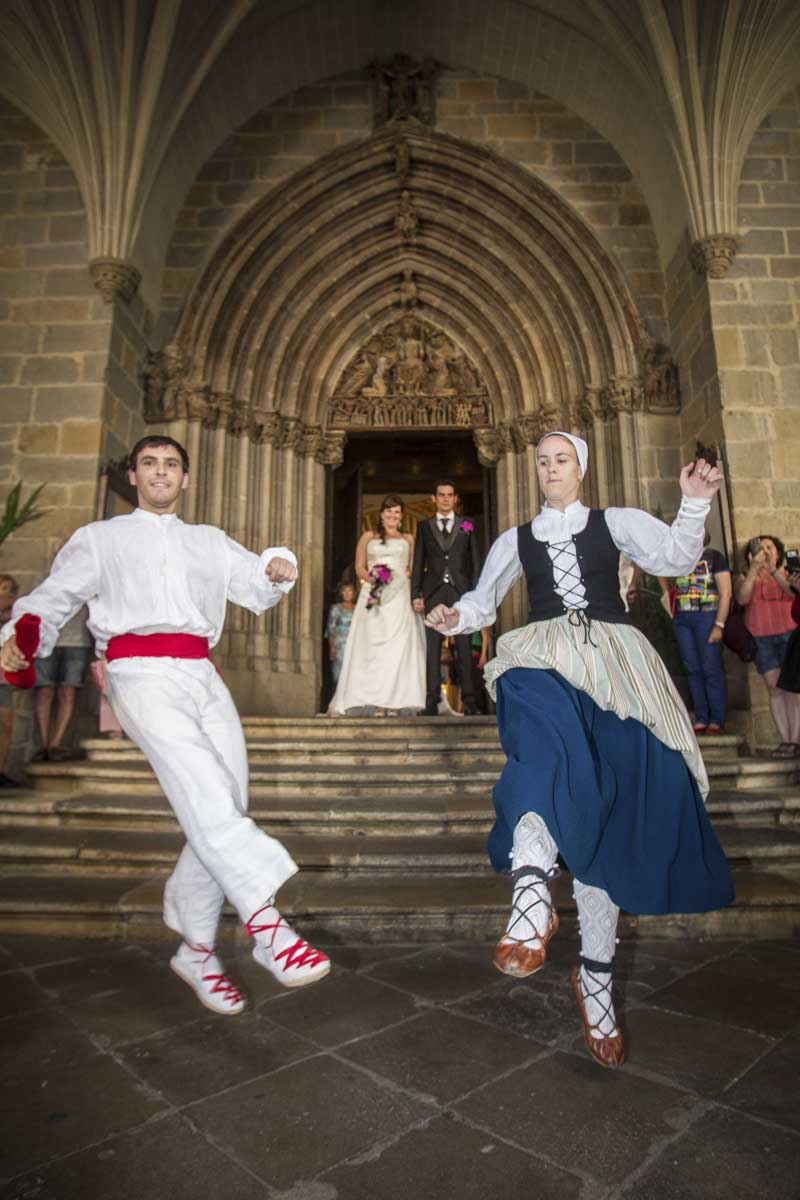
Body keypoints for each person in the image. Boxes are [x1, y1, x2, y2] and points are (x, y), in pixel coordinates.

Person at [425, 432, 733, 1069]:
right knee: (538, 752)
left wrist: (695, 501)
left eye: (560, 459)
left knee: (605, 823)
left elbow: (676, 556)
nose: (549, 468)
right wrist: (455, 618)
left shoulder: (613, 523)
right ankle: (530, 890)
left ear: (581, 467)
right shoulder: (516, 539)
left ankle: (595, 978)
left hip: (617, 669)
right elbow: (483, 601)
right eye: (542, 461)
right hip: (544, 658)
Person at [0, 436, 330, 1014]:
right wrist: (21, 635)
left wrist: (279, 568)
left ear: (186, 478)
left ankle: (197, 950)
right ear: (133, 475)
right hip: (137, 671)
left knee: (225, 800)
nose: (160, 472)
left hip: (201, 674)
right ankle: (267, 925)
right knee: (204, 787)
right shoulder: (101, 538)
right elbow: (53, 598)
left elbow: (256, 584)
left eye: (171, 464)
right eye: (149, 464)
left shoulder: (207, 541)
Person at [329, 495, 425, 715]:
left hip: (400, 596)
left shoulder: (408, 539)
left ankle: (394, 701)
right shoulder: (368, 537)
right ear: (382, 514)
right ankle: (373, 699)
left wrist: (416, 593)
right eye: (389, 511)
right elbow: (359, 567)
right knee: (371, 647)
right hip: (374, 595)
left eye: (397, 512)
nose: (392, 515)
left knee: (397, 648)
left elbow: (414, 570)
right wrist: (375, 579)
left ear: (401, 516)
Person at [411, 480, 482, 715]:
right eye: (441, 495)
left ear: (455, 498)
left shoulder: (467, 524)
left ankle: (469, 701)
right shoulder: (424, 526)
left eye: (449, 495)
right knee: (432, 649)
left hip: (461, 593)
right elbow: (418, 560)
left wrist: (476, 594)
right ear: (434, 498)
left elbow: (474, 559)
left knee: (464, 647)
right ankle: (431, 702)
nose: (445, 499)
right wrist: (416, 593)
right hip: (433, 592)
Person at [735, 535, 800, 757]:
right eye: (760, 548)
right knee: (774, 688)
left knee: (792, 688)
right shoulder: (745, 576)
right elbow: (742, 599)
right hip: (761, 636)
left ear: (778, 552)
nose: (765, 551)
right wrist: (754, 570)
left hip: (789, 634)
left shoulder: (787, 574)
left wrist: (772, 570)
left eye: (769, 547)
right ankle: (786, 740)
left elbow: (792, 593)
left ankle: (795, 740)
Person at [671, 533, 732, 734]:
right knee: (692, 668)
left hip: (707, 616)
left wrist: (719, 624)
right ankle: (701, 716)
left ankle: (716, 718)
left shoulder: (714, 556)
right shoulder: (678, 557)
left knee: (710, 667)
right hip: (683, 618)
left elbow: (726, 593)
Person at [33, 602, 93, 761]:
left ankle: (55, 743)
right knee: (44, 691)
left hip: (77, 639)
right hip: (45, 639)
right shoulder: (43, 583)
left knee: (68, 692)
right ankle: (43, 745)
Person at [0, 574, 21, 788]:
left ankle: (1, 770)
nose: (7, 593)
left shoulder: (13, 612)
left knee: (6, 724)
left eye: (10, 589)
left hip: (3, 675)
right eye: (3, 588)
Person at [325, 579, 357, 684]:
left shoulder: (357, 609)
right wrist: (332, 648)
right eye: (344, 591)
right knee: (339, 678)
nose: (347, 593)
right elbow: (331, 630)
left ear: (353, 593)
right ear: (341, 593)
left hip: (354, 646)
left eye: (349, 591)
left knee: (352, 677)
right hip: (339, 648)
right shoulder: (335, 609)